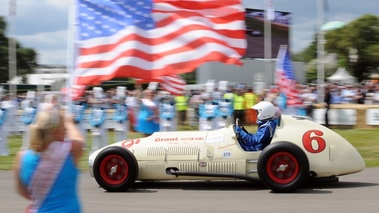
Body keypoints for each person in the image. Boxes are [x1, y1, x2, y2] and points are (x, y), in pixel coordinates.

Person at [13, 109, 85, 212]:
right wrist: (69, 123)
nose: (65, 129)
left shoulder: (21, 157)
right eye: (63, 126)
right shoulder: (70, 150)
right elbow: (80, 141)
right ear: (56, 131)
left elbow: (23, 192)